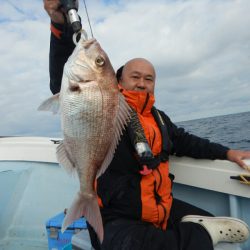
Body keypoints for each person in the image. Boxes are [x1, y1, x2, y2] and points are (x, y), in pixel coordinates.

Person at [43, 1, 250, 249]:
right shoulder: (105, 106)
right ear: (117, 80)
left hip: (159, 207)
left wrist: (227, 152)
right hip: (116, 217)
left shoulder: (160, 118)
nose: (142, 83)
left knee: (201, 225)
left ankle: (194, 229)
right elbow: (61, 82)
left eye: (149, 78)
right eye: (135, 76)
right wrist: (59, 26)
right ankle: (200, 234)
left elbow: (188, 142)